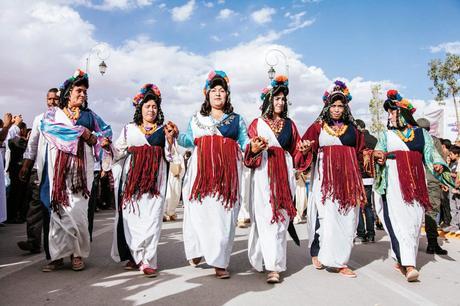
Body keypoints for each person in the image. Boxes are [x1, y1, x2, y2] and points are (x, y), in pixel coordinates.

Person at [372, 90, 453, 282]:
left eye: (392, 112)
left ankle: (402, 259)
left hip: (417, 185)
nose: (390, 116)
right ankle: (409, 265)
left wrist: (439, 167)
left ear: (403, 113)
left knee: (414, 223)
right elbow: (378, 152)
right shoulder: (385, 135)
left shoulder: (421, 134)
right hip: (394, 186)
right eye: (389, 113)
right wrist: (379, 158)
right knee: (399, 221)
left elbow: (432, 156)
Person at [39, 69, 112, 272]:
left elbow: (106, 131)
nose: (82, 95)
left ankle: (77, 254)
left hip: (82, 168)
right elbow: (47, 128)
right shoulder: (53, 114)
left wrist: (96, 138)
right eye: (78, 91)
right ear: (68, 93)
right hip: (59, 168)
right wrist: (81, 132)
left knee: (79, 211)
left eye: (84, 92)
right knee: (59, 209)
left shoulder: (89, 115)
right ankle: (57, 256)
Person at [178, 70, 249, 279]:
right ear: (207, 95)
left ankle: (219, 262)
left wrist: (255, 146)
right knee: (200, 213)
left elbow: (245, 143)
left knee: (223, 217)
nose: (218, 94)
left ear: (227, 95)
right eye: (214, 90)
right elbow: (187, 140)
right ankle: (200, 248)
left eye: (222, 90)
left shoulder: (236, 120)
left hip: (227, 176)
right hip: (201, 176)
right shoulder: (197, 119)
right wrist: (174, 135)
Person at [296, 80, 366, 278]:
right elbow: (302, 150)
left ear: (345, 107)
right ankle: (319, 252)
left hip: (348, 181)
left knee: (348, 218)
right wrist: (306, 150)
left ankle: (341, 260)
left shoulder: (353, 130)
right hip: (325, 181)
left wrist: (371, 156)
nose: (336, 109)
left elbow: (361, 154)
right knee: (325, 217)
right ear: (327, 106)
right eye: (333, 105)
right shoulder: (317, 127)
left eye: (340, 106)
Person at [111, 83, 177, 277]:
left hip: (156, 183)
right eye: (147, 106)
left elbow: (171, 156)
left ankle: (147, 259)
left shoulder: (164, 130)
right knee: (132, 219)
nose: (151, 109)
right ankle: (138, 256)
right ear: (140, 109)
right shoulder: (129, 129)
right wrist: (109, 148)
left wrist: (171, 140)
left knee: (152, 220)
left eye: (155, 106)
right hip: (133, 183)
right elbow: (117, 152)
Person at [244, 75, 303, 283]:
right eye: (276, 98)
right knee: (266, 217)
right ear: (268, 100)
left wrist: (304, 150)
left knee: (281, 217)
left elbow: (297, 150)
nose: (280, 102)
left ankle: (272, 263)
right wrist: (254, 148)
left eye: (282, 99)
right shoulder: (256, 124)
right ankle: (270, 265)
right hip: (263, 173)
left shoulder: (290, 124)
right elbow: (248, 152)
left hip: (284, 173)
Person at [17, 88, 59, 254]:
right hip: (39, 169)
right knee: (36, 205)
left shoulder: (65, 120)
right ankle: (33, 241)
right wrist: (26, 166)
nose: (52, 102)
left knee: (56, 208)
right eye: (50, 99)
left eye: (56, 99)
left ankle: (56, 245)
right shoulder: (39, 119)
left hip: (58, 170)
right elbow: (32, 145)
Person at [416, 118, 449, 254]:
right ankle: (432, 243)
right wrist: (443, 182)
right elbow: (440, 162)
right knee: (431, 212)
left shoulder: (412, 140)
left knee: (415, 212)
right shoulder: (434, 141)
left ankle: (411, 243)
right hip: (431, 180)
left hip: (415, 180)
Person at [355, 119, 377, 243]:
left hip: (358, 176)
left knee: (358, 205)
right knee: (368, 206)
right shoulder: (374, 140)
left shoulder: (357, 139)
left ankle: (361, 233)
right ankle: (371, 233)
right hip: (370, 177)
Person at [6, 121, 28, 223]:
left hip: (13, 169)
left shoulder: (11, 141)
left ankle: (12, 215)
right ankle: (14, 216)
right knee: (17, 193)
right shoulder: (20, 142)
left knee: (14, 193)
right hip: (18, 169)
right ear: (22, 130)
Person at [163, 148, 185, 221]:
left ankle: (171, 213)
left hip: (176, 179)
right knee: (168, 195)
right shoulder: (166, 156)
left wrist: (180, 175)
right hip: (168, 178)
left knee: (175, 196)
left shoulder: (179, 157)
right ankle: (164, 213)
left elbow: (183, 167)